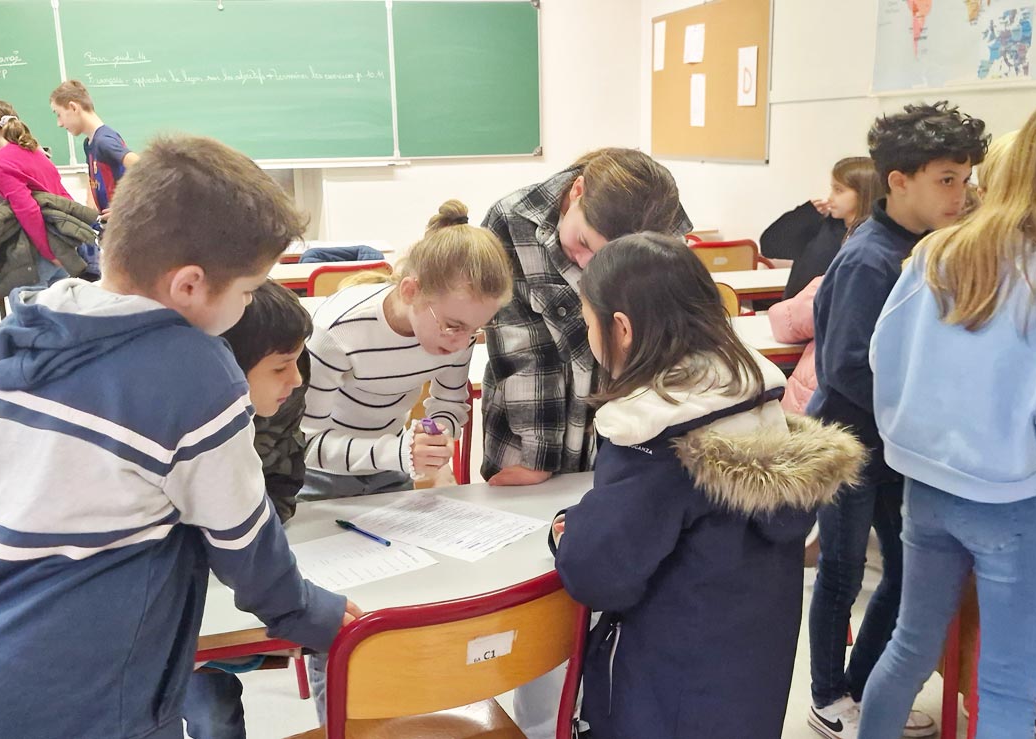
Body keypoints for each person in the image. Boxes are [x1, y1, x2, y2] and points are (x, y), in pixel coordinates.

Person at [0, 135, 359, 739]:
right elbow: (244, 541)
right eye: (250, 290)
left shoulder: (24, 332)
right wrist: (312, 613)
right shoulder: (192, 369)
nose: (250, 303)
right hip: (79, 696)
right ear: (191, 286)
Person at [858, 99, 1036, 739]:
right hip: (1011, 503)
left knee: (908, 647)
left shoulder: (938, 252)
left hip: (925, 486)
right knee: (1008, 685)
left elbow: (884, 358)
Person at [553, 232, 864, 738]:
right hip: (746, 688)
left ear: (623, 329)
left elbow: (599, 575)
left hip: (660, 698)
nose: (589, 337)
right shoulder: (758, 403)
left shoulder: (656, 439)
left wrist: (572, 530)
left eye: (588, 323)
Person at [806, 101, 987, 739]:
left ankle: (867, 687)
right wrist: (930, 406)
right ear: (898, 180)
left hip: (902, 445)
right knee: (842, 572)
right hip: (853, 442)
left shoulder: (931, 247)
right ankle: (829, 697)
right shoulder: (871, 259)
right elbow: (846, 368)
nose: (960, 194)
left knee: (905, 572)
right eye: (946, 179)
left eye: (966, 179)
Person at [480, 148, 690, 487]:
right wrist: (537, 456)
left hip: (626, 428)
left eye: (605, 256)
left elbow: (665, 345)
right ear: (576, 191)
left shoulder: (662, 230)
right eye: (583, 242)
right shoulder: (512, 221)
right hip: (529, 424)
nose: (587, 263)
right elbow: (522, 351)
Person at [300, 200, 511, 500]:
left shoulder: (457, 333)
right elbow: (305, 443)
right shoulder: (337, 331)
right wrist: (398, 452)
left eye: (474, 331)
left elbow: (449, 403)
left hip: (390, 472)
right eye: (453, 326)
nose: (460, 342)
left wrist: (437, 437)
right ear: (411, 291)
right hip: (320, 477)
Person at [183, 280, 314, 739]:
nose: (296, 378)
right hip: (184, 607)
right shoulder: (184, 430)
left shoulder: (285, 388)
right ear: (228, 370)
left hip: (238, 585)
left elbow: (282, 476)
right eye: (282, 367)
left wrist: (259, 539)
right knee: (207, 707)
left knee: (217, 715)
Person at [0, 99, 76, 284]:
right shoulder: (36, 152)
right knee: (62, 307)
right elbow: (64, 197)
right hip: (61, 244)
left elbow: (27, 209)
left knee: (30, 310)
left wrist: (47, 251)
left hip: (35, 251)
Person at [760, 156, 882, 298]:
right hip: (794, 314)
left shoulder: (873, 239)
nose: (830, 197)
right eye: (832, 189)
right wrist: (803, 214)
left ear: (863, 193)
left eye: (839, 190)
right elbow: (769, 246)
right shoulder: (820, 226)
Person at [50, 80, 140, 218]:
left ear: (73, 108)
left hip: (126, 226)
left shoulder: (104, 141)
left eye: (59, 114)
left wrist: (128, 208)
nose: (59, 123)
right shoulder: (89, 143)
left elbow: (146, 168)